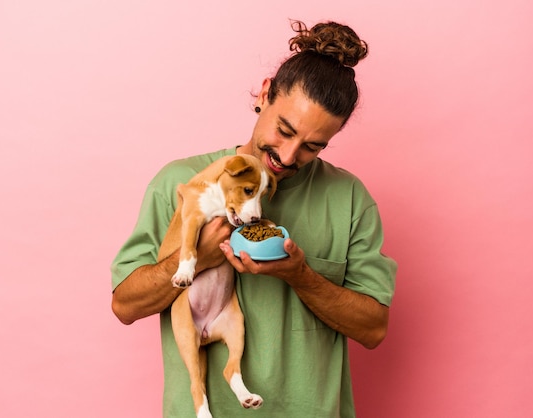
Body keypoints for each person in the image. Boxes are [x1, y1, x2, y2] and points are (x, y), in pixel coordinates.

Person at [111, 20, 397, 418]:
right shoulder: (180, 183)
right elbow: (125, 305)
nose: (288, 156)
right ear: (265, 94)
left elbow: (374, 329)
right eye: (283, 130)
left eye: (312, 147)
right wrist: (198, 256)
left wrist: (302, 276)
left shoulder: (350, 199)